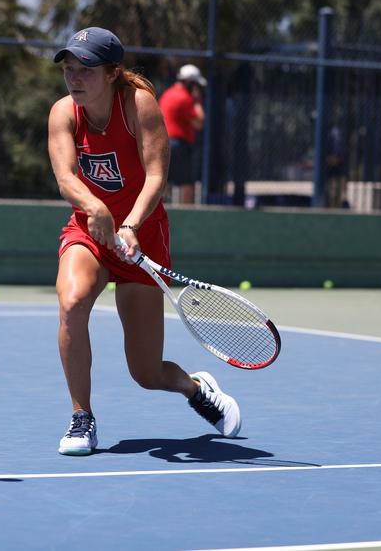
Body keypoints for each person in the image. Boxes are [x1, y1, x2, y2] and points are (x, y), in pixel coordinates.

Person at [48, 27, 241, 456]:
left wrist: (131, 225)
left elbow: (156, 177)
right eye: (69, 70)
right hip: (90, 234)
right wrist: (97, 211)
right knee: (72, 302)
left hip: (143, 238)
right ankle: (82, 418)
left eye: (86, 70)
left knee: (147, 373)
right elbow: (65, 178)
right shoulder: (63, 112)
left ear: (113, 72)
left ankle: (195, 388)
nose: (75, 78)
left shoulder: (139, 106)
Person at [158, 64, 206, 204]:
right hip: (178, 145)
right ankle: (188, 220)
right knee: (187, 185)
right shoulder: (185, 98)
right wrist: (197, 101)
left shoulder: (168, 93)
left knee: (164, 182)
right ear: (190, 83)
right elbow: (199, 122)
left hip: (163, 143)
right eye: (196, 84)